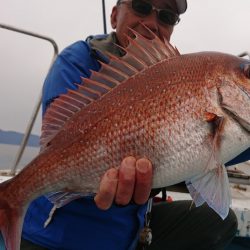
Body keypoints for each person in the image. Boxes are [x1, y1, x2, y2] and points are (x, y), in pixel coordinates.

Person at [21, 0, 250, 249]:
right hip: (58, 234)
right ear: (114, 14)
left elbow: (211, 150)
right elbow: (59, 140)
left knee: (219, 221)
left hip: (133, 229)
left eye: (167, 16)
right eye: (140, 6)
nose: (152, 22)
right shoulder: (77, 61)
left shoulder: (179, 78)